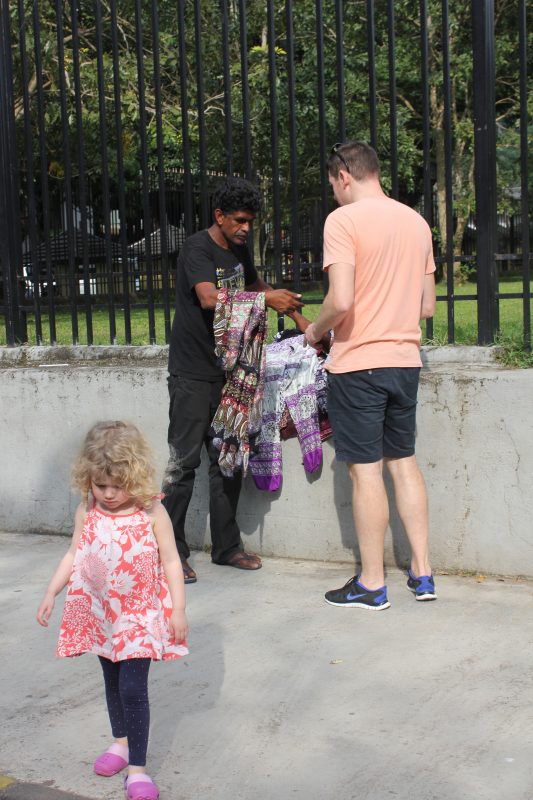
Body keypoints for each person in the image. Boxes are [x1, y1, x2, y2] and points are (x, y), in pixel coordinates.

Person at [304, 141, 437, 611]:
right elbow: (427, 306)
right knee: (403, 462)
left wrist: (314, 331)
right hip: (405, 361)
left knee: (365, 474)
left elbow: (341, 301)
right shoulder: (417, 222)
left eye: (333, 186)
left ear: (343, 175)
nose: (334, 195)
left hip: (359, 363)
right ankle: (422, 574)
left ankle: (373, 583)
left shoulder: (343, 221)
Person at [37, 421, 188, 800]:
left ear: (134, 476)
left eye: (116, 486)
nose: (107, 494)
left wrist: (178, 610)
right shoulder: (88, 510)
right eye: (99, 485)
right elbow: (74, 552)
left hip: (139, 615)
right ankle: (119, 743)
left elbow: (172, 561)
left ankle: (137, 768)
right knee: (112, 683)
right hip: (102, 614)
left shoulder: (151, 511)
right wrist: (52, 592)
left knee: (133, 688)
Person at [162, 176, 303, 583]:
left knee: (228, 461)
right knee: (182, 465)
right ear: (219, 216)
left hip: (233, 375)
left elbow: (255, 285)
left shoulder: (239, 251)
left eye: (250, 222)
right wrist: (264, 300)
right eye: (239, 220)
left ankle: (227, 548)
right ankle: (169, 554)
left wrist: (294, 313)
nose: (246, 228)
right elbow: (209, 298)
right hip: (192, 373)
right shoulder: (196, 249)